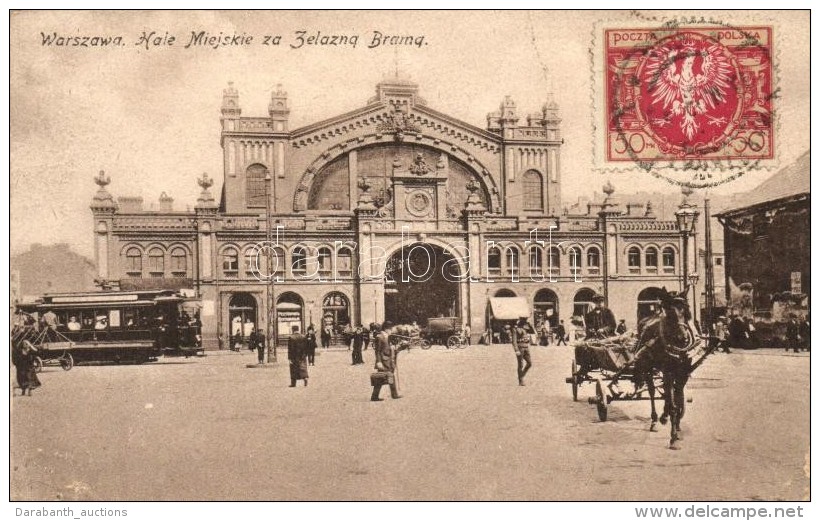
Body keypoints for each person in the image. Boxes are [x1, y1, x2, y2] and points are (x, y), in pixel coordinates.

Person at [371, 321, 404, 401]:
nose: (391, 331)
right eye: (390, 329)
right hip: (383, 361)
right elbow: (377, 351)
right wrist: (378, 362)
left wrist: (399, 347)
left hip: (388, 360)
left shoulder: (387, 336)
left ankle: (392, 394)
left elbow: (389, 348)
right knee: (381, 378)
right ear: (386, 329)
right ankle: (376, 396)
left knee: (388, 376)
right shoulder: (380, 337)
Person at [512, 317, 534, 386]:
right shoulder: (515, 329)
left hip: (526, 347)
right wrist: (516, 350)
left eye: (525, 321)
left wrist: (530, 325)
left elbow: (533, 332)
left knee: (529, 363)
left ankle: (522, 375)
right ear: (520, 321)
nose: (524, 322)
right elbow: (514, 341)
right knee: (520, 364)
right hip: (520, 348)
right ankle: (521, 380)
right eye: (523, 321)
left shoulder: (526, 328)